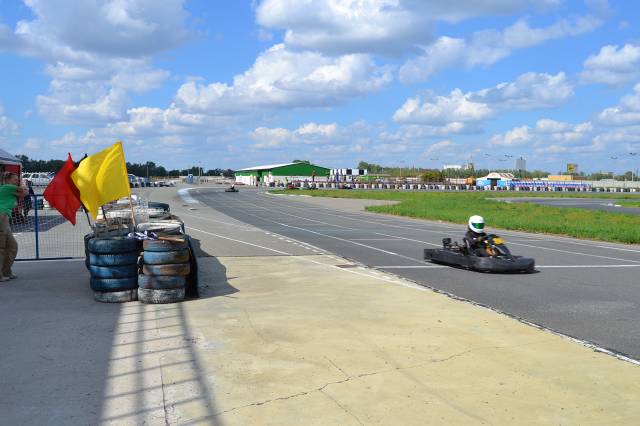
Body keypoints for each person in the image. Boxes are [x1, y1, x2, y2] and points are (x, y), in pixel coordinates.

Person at [0, 172, 27, 281]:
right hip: (2, 217)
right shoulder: (8, 187)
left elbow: (22, 195)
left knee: (12, 246)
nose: (17, 182)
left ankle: (6, 271)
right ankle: (1, 274)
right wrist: (23, 184)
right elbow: (25, 193)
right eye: (15, 179)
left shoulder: (7, 188)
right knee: (2, 248)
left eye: (18, 180)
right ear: (8, 180)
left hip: (4, 218)